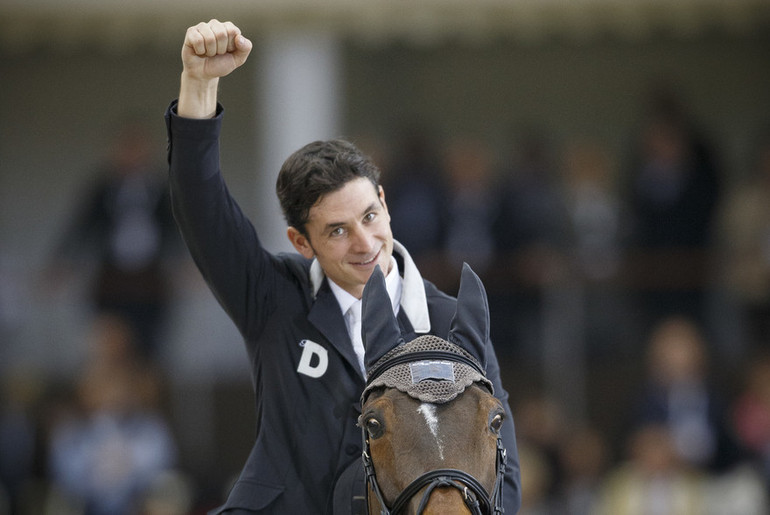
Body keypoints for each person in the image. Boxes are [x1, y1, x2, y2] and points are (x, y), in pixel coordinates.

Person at [165, 19, 521, 515]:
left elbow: (501, 471)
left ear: (383, 201)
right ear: (300, 241)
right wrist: (199, 84)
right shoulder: (272, 298)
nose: (364, 243)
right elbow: (202, 210)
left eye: (369, 217)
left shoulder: (450, 320)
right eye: (336, 230)